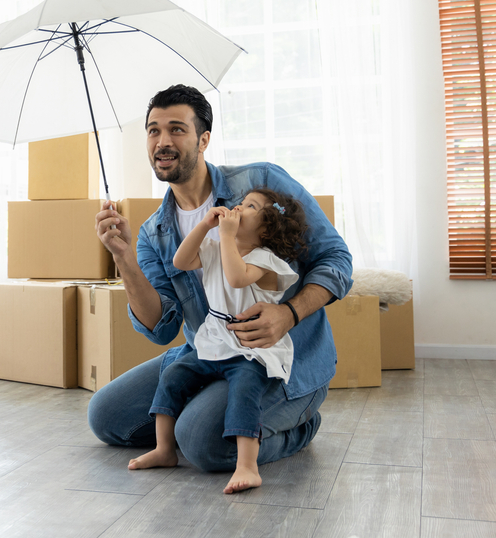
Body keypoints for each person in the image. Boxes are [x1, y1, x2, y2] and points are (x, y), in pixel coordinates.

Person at [91, 84, 352, 476]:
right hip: (207, 351)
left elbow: (337, 259)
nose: (163, 141)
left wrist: (288, 314)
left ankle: (298, 427)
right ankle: (203, 412)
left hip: (275, 359)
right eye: (153, 130)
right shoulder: (152, 232)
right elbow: (162, 328)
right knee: (107, 416)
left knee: (203, 443)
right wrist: (124, 258)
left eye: (177, 129)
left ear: (204, 139)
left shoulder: (260, 185)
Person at [128, 188, 308, 495]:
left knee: (244, 392)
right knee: (173, 376)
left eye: (249, 206)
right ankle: (164, 449)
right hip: (214, 338)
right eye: (241, 202)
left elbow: (237, 277)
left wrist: (226, 236)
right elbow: (181, 261)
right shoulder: (214, 245)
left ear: (265, 229)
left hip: (250, 349)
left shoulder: (266, 261)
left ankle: (247, 465)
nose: (238, 207)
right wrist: (205, 227)